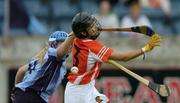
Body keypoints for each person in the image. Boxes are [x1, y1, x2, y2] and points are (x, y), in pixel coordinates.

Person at [64, 12, 161, 103]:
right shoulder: (92, 47)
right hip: (78, 94)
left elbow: (72, 34)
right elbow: (124, 57)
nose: (94, 27)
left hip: (86, 87)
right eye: (90, 27)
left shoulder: (77, 39)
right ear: (83, 33)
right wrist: (145, 49)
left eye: (92, 24)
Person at [12, 31, 75, 103]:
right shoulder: (53, 54)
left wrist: (16, 89)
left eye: (69, 44)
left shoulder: (42, 57)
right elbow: (60, 53)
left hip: (23, 95)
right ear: (53, 44)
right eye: (62, 43)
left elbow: (21, 70)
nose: (68, 46)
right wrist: (74, 33)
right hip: (33, 96)